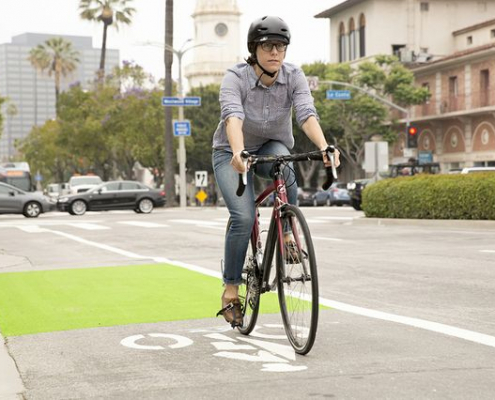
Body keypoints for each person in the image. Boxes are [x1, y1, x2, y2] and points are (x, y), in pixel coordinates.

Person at [212, 15, 340, 327]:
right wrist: (240, 152)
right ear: (254, 49)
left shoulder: (294, 76)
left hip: (272, 146)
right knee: (243, 217)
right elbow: (233, 118)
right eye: (268, 46)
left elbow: (307, 113)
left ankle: (287, 232)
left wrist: (324, 147)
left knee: (285, 163)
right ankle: (230, 290)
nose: (275, 53)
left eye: (281, 47)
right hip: (231, 151)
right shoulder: (235, 77)